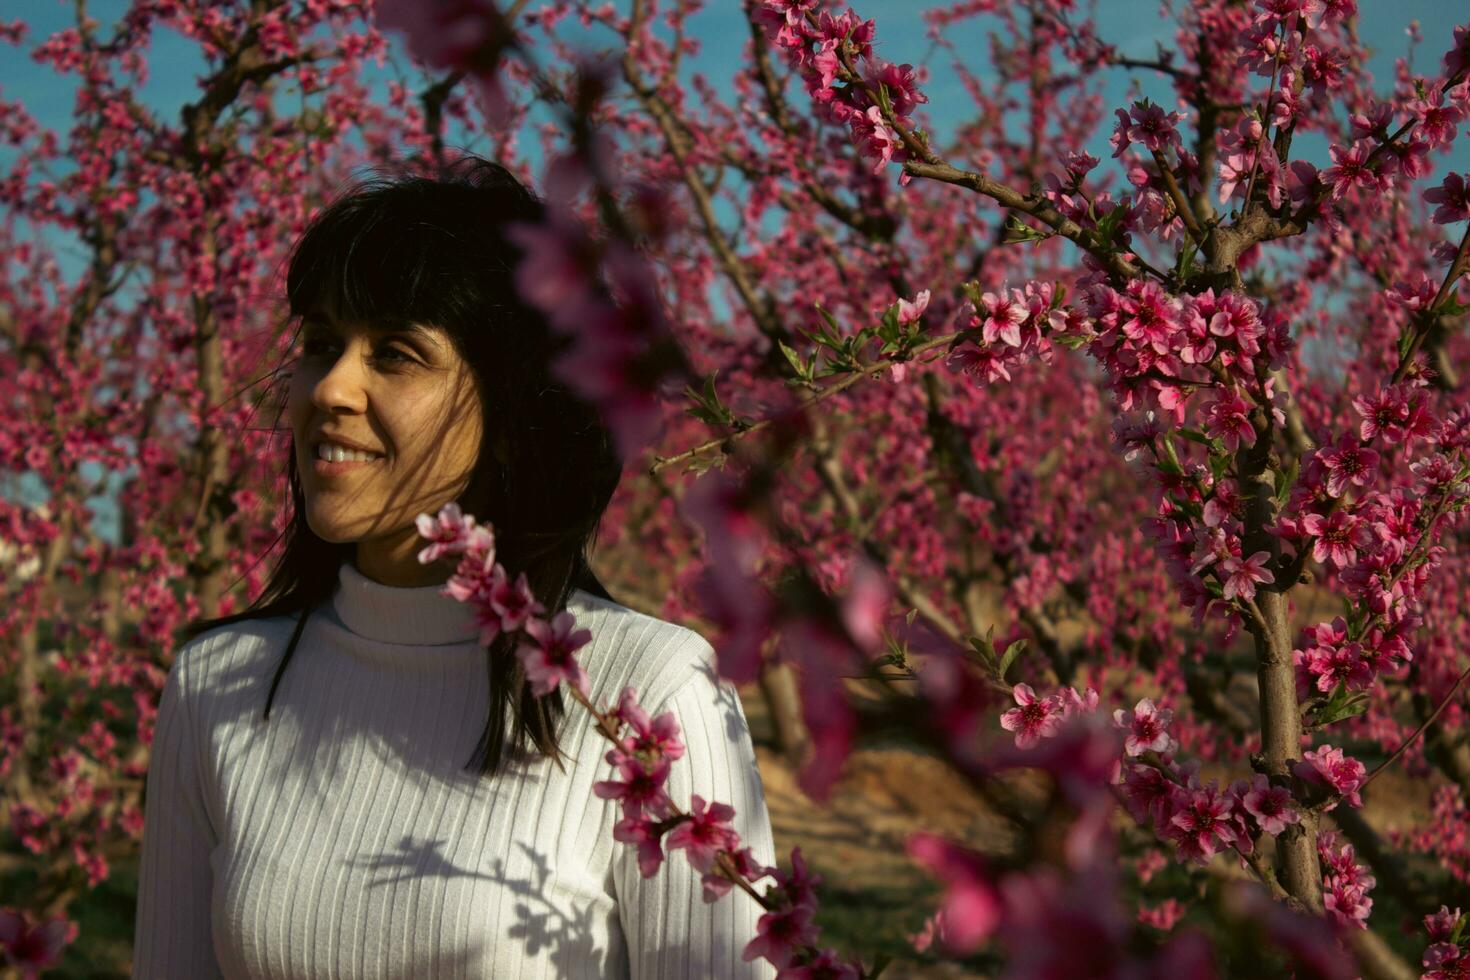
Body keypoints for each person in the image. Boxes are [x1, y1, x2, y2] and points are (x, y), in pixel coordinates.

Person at [131, 154, 778, 979]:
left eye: (396, 353)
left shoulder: (647, 693)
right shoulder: (218, 684)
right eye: (323, 344)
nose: (330, 387)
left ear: (514, 411)